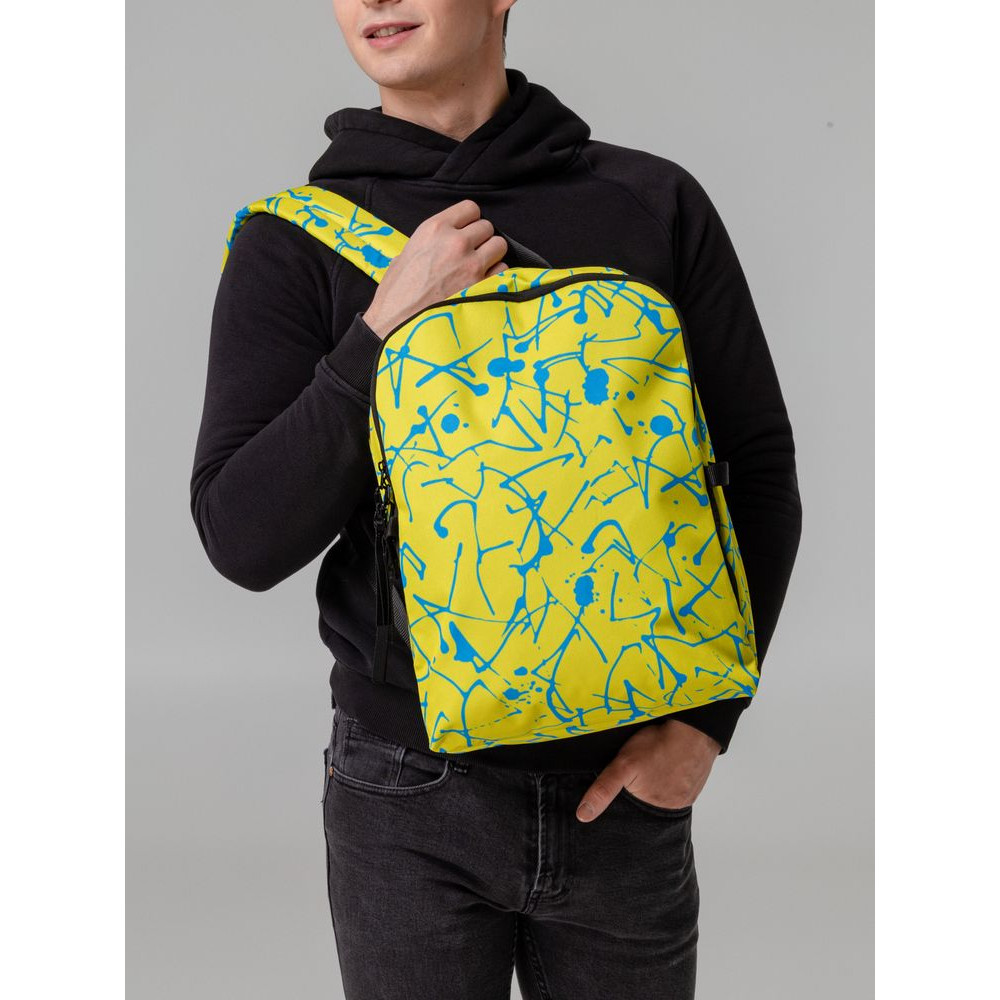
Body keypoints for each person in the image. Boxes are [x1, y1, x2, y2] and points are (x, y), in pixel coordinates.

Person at [189, 1, 803, 996]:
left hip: (625, 788)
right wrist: (381, 330)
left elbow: (757, 469)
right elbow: (241, 537)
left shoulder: (649, 201)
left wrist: (706, 725)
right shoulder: (292, 241)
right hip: (406, 794)